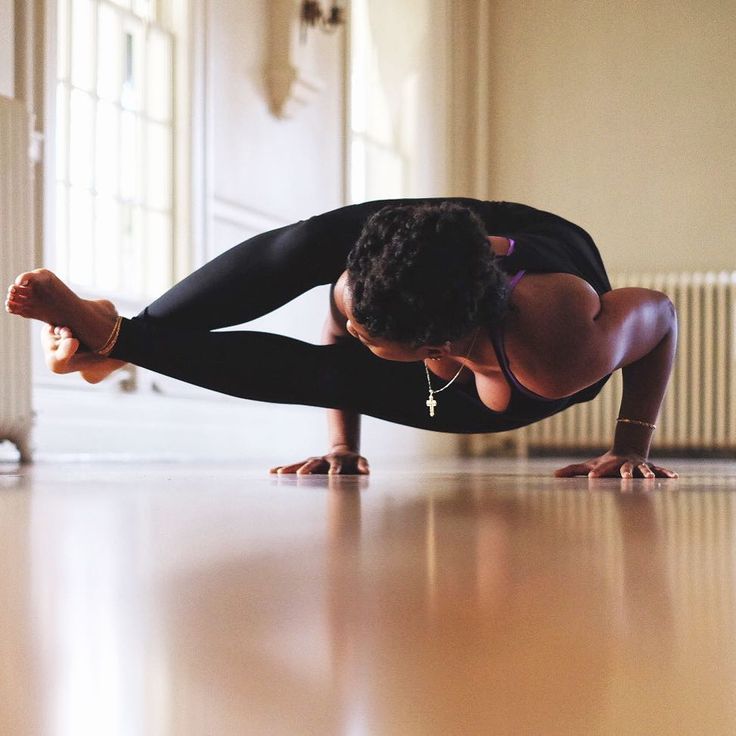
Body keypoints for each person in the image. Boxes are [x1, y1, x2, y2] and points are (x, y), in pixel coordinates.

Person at [4, 198, 678, 478]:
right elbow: (343, 322)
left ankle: (121, 339)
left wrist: (629, 447)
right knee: (312, 245)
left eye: (367, 331)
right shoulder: (367, 293)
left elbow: (664, 319)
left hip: (519, 332)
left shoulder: (563, 342)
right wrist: (340, 447)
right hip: (453, 248)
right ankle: (119, 335)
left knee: (326, 373)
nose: (349, 327)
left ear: (431, 346)